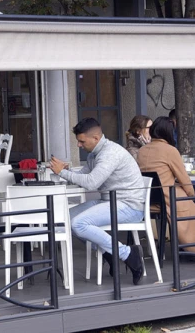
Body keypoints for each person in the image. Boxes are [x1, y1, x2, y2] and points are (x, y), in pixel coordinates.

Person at [49, 118, 146, 284]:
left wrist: (62, 173)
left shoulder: (110, 153)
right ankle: (110, 252)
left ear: (95, 138)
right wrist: (67, 170)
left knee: (78, 224)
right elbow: (84, 177)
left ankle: (128, 254)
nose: (79, 145)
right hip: (109, 201)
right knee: (64, 219)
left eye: (82, 141)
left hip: (129, 206)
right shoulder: (94, 154)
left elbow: (91, 183)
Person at [136, 117, 195, 254]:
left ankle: (184, 247)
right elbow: (184, 178)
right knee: (194, 208)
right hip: (166, 197)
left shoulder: (142, 150)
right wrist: (191, 194)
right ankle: (194, 250)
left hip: (147, 199)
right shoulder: (170, 150)